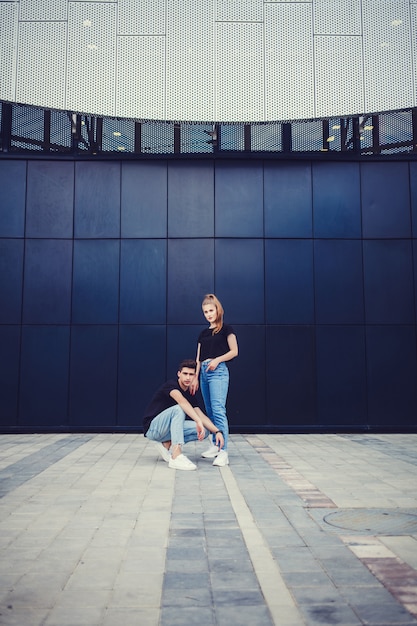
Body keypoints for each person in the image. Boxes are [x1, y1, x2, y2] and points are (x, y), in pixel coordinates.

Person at [143, 359, 225, 471]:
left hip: (166, 431)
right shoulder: (171, 385)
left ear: (195, 376)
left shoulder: (190, 394)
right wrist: (198, 421)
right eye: (185, 374)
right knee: (179, 409)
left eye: (191, 374)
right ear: (179, 374)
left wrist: (217, 431)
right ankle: (176, 456)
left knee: (204, 431)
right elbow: (182, 401)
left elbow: (200, 415)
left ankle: (166, 443)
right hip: (153, 428)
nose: (188, 377)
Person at [190, 294, 238, 467]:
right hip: (203, 373)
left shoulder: (226, 329)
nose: (208, 314)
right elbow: (198, 358)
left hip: (218, 372)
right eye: (205, 312)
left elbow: (234, 351)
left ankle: (223, 451)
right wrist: (195, 376)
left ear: (218, 310)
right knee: (209, 410)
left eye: (211, 310)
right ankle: (214, 445)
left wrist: (217, 360)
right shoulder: (203, 333)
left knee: (218, 410)